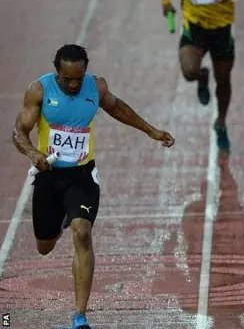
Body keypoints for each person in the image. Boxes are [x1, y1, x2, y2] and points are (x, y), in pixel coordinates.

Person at [11, 44, 175, 329]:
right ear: (56, 73)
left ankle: (79, 316)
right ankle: (63, 217)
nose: (74, 84)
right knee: (44, 247)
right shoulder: (39, 90)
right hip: (49, 178)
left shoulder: (95, 87)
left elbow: (117, 108)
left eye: (78, 78)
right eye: (67, 79)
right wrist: (32, 153)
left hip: (82, 176)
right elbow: (19, 132)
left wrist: (152, 131)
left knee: (83, 232)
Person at [162, 0, 244, 153]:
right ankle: (202, 76)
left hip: (221, 27)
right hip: (194, 24)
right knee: (189, 71)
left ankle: (221, 122)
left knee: (223, 79)